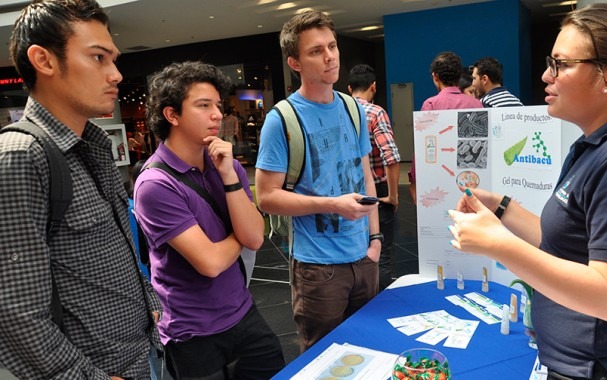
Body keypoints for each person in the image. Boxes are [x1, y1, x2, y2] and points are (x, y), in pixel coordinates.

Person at [449, 4, 607, 379]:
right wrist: (502, 208)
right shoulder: (598, 144)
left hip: (605, 368)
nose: (546, 75)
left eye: (561, 64)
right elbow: (569, 244)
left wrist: (497, 244)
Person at [0, 1, 161, 378]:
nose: (116, 74)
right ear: (44, 60)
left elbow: (118, 250)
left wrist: (149, 300)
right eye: (99, 58)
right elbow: (16, 312)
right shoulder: (20, 157)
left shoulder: (93, 145)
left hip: (141, 353)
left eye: (114, 59)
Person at [134, 61, 285, 379]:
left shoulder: (227, 164)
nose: (217, 114)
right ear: (172, 115)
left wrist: (229, 176)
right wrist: (241, 231)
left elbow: (257, 238)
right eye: (203, 106)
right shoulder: (155, 184)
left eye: (217, 105)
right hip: (192, 331)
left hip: (241, 310)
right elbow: (211, 263)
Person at [255, 11, 381, 352]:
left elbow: (364, 175)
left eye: (333, 46)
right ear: (295, 62)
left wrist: (375, 240)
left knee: (369, 349)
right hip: (318, 267)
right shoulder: (282, 119)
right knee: (323, 358)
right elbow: (266, 197)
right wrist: (331, 204)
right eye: (316, 51)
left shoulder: (354, 109)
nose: (329, 57)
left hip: (363, 258)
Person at [348, 63, 401, 290]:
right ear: (374, 86)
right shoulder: (375, 113)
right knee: (381, 253)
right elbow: (391, 156)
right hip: (376, 194)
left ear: (349, 88)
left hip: (345, 194)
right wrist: (393, 196)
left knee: (352, 254)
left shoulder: (339, 112)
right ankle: (380, 307)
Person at [409, 51, 482, 203]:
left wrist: (414, 181)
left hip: (438, 176)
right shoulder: (477, 104)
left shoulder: (430, 104)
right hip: (470, 177)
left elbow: (422, 148)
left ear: (435, 77)